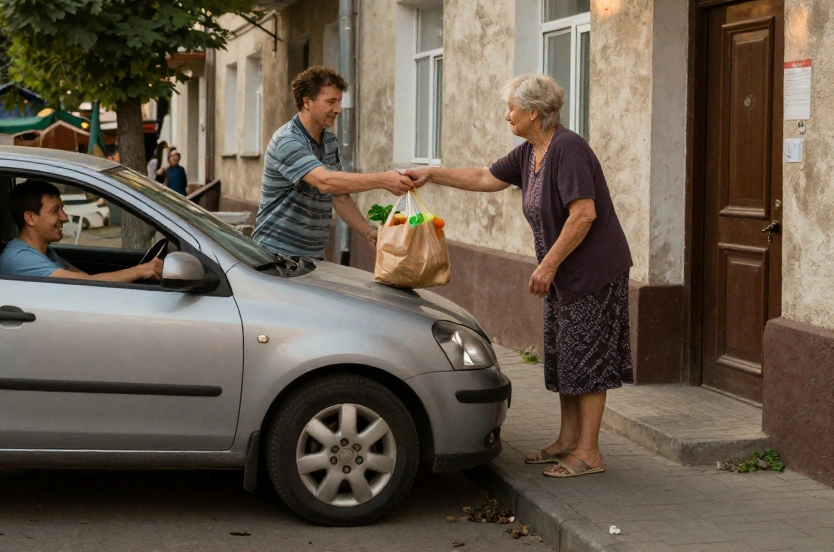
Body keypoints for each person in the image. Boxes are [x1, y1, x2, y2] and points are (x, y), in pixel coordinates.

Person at [405, 74, 632, 480]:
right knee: (565, 358)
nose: (506, 115)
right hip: (563, 273)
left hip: (592, 272)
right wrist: (432, 174)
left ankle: (589, 452)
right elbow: (484, 177)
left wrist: (547, 265)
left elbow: (584, 214)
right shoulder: (531, 152)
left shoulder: (568, 149)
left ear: (533, 112)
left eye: (511, 108)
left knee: (587, 360)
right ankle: (566, 441)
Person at [252, 66, 413, 260]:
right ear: (307, 101)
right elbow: (325, 181)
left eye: (339, 101)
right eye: (330, 101)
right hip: (275, 256)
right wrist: (383, 180)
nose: (337, 109)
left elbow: (340, 196)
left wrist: (367, 231)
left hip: (311, 256)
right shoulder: (287, 141)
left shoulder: (328, 140)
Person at [0, 180, 163, 282]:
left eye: (62, 209)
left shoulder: (45, 252)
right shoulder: (22, 259)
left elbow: (83, 276)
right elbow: (88, 282)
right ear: (30, 218)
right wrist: (141, 270)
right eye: (55, 211)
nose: (65, 217)